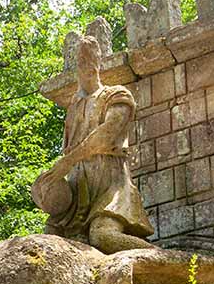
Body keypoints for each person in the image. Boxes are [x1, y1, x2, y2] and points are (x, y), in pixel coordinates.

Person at [32, 35, 155, 253]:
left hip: (110, 185)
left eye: (91, 60)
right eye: (81, 61)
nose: (87, 66)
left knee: (102, 237)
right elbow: (68, 148)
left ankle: (156, 256)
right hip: (78, 189)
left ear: (99, 63)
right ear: (76, 67)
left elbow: (105, 136)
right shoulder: (74, 106)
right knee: (46, 245)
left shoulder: (117, 95)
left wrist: (67, 162)